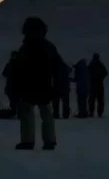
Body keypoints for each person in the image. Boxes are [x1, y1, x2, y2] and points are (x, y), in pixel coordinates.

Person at [15, 17, 64, 151]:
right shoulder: (49, 46)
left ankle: (27, 140)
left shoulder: (25, 47)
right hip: (45, 85)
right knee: (46, 113)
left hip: (28, 86)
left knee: (27, 113)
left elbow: (18, 68)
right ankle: (50, 141)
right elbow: (59, 67)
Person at [88, 53, 108, 117]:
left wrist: (90, 78)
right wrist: (101, 78)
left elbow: (87, 72)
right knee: (100, 100)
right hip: (99, 84)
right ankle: (100, 113)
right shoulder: (100, 65)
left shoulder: (91, 64)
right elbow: (105, 72)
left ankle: (91, 112)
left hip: (93, 85)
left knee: (92, 99)